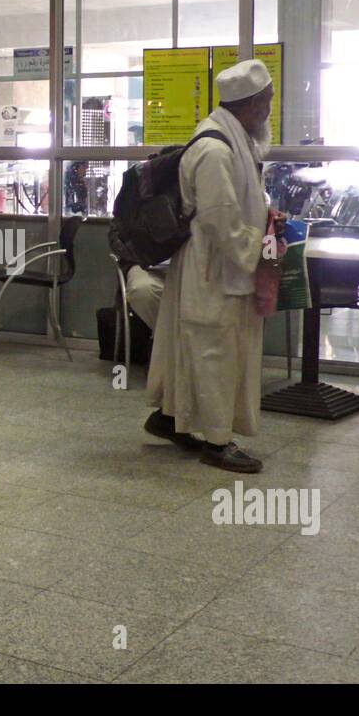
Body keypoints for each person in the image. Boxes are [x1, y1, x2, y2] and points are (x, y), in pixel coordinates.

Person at [145, 59, 281, 473]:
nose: (271, 109)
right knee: (213, 351)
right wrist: (258, 251)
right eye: (269, 101)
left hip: (218, 266)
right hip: (212, 270)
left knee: (198, 349)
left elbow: (238, 206)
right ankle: (218, 441)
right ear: (255, 104)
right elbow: (221, 219)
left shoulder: (233, 141)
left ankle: (170, 419)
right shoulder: (215, 149)